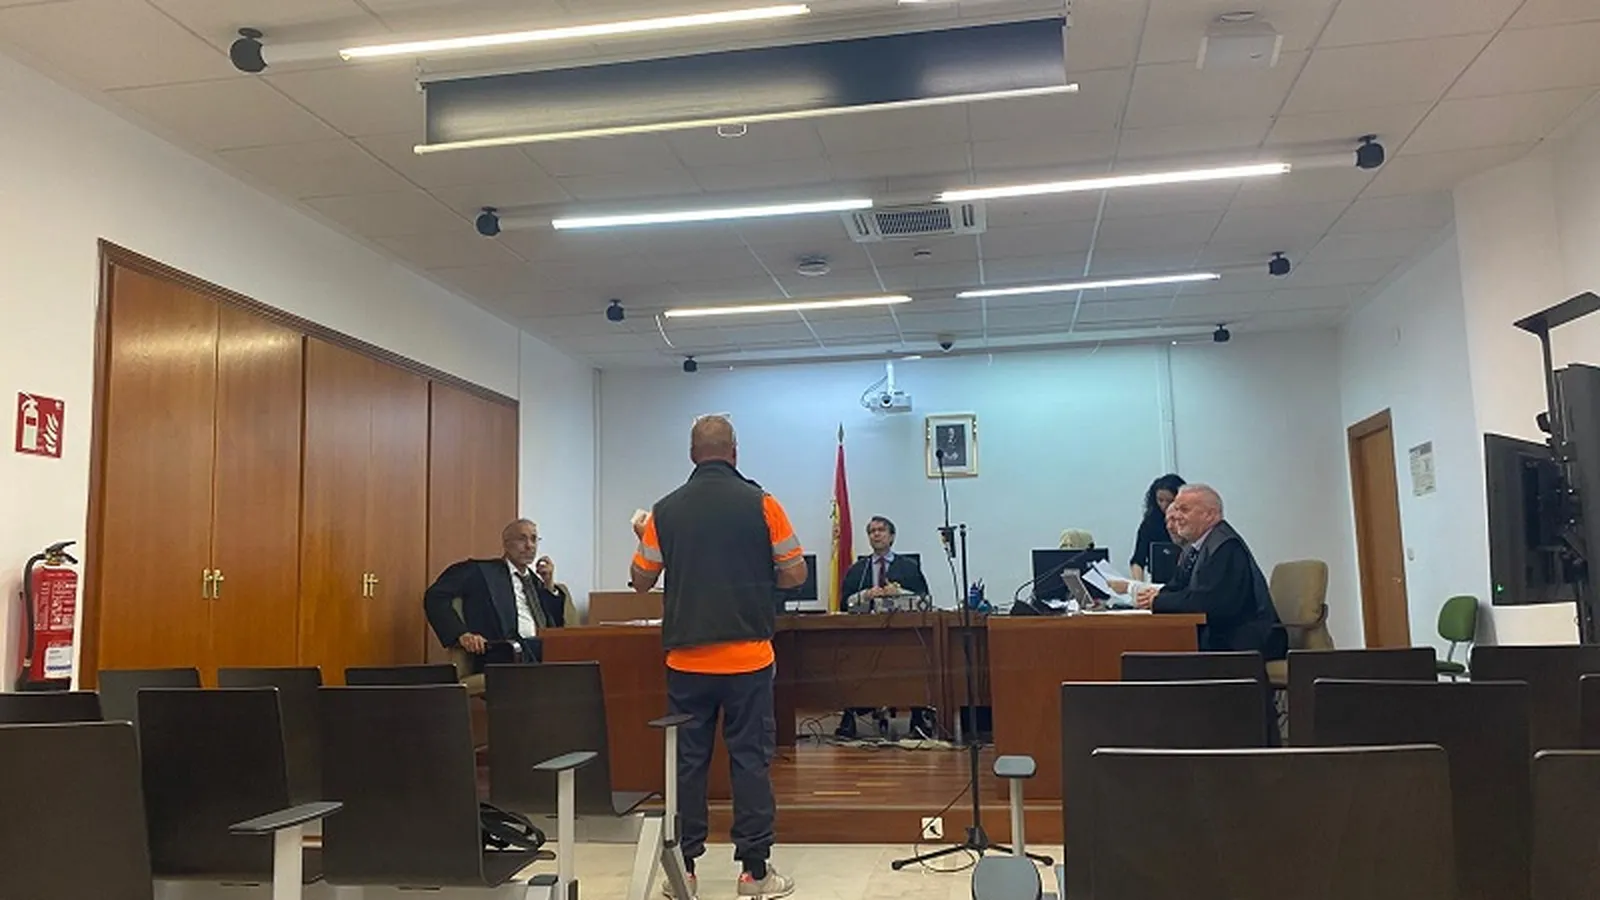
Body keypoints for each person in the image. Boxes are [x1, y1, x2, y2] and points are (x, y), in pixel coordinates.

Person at [630, 415, 803, 900]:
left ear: (692, 455)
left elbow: (641, 580)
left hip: (687, 663)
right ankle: (754, 873)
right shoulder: (763, 503)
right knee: (750, 761)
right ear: (735, 452)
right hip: (748, 660)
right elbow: (794, 573)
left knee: (687, 764)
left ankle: (683, 871)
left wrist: (646, 537)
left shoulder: (664, 511)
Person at [1134, 485, 1286, 661]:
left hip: (1244, 640)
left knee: (1162, 659)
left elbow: (1208, 601)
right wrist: (1155, 596)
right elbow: (1178, 586)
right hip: (1220, 636)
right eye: (1176, 509)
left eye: (1184, 510)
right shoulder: (1194, 548)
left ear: (1210, 515)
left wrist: (1159, 601)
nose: (1177, 516)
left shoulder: (1226, 546)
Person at [422, 519, 578, 670]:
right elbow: (435, 597)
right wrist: (461, 634)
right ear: (506, 544)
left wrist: (548, 584)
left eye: (533, 539)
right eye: (522, 539)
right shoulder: (479, 572)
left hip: (540, 650)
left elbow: (556, 627)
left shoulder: (535, 582)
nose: (529, 545)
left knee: (579, 651)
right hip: (504, 652)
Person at [838, 516, 929, 608]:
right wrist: (865, 595)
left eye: (881, 530)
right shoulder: (857, 570)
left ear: (892, 537)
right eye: (872, 531)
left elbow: (925, 600)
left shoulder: (909, 567)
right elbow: (844, 604)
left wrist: (900, 593)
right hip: (867, 616)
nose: (876, 534)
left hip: (899, 616)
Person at [1129, 474, 1185, 582]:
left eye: (1170, 501)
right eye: (1160, 500)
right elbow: (1137, 560)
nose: (1164, 505)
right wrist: (1139, 585)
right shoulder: (1150, 523)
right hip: (1158, 580)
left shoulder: (1190, 522)